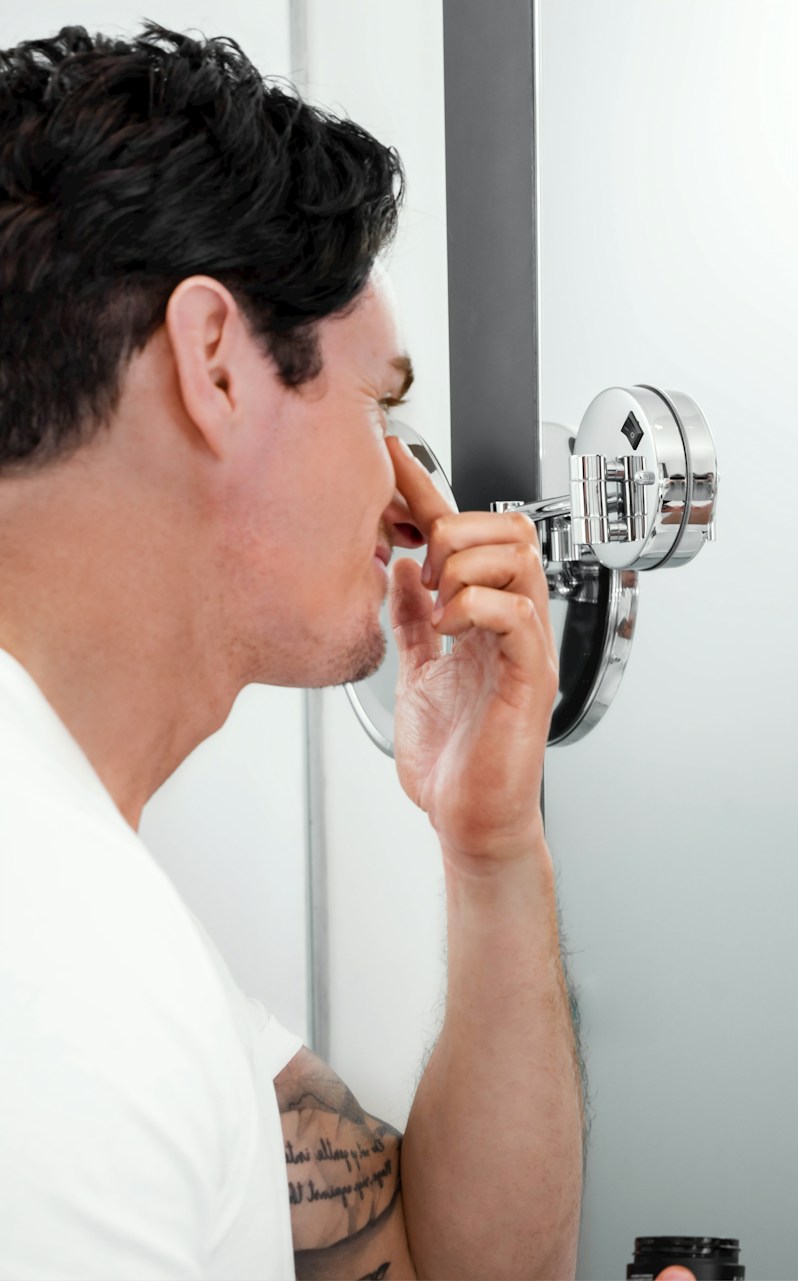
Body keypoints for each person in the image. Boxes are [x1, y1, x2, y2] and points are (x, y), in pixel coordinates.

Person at [0, 24, 643, 1279]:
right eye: (380, 408)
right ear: (217, 369)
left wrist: (492, 846)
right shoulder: (55, 971)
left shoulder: (85, 907)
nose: (415, 499)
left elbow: (441, 1264)